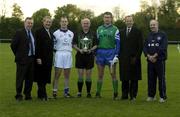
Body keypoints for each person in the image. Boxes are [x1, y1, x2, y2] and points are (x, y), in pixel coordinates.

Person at [95, 12, 120, 100]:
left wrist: (116, 55)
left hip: (111, 54)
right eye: (105, 17)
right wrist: (95, 54)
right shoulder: (99, 29)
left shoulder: (115, 29)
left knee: (113, 74)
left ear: (111, 18)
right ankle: (98, 93)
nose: (107, 19)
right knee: (100, 75)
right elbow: (96, 43)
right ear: (103, 18)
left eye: (108, 17)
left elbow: (118, 44)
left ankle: (115, 93)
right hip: (100, 53)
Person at [119, 15, 143, 101]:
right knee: (124, 78)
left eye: (130, 21)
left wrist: (136, 57)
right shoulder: (121, 32)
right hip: (124, 59)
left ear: (133, 21)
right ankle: (124, 95)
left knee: (134, 78)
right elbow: (119, 46)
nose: (129, 22)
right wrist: (120, 57)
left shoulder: (138, 31)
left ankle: (133, 95)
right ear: (125, 22)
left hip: (134, 58)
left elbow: (140, 46)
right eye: (127, 21)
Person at [10, 17, 35, 101]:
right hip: (22, 60)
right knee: (20, 78)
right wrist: (18, 55)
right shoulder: (19, 33)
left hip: (31, 59)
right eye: (28, 23)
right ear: (24, 23)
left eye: (31, 23)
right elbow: (13, 45)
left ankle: (27, 95)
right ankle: (19, 95)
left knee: (29, 79)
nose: (30, 25)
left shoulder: (33, 33)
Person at [143, 19, 168, 103]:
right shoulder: (148, 36)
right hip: (150, 61)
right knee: (151, 79)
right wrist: (148, 56)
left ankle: (162, 96)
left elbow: (163, 47)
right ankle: (151, 96)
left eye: (154, 24)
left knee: (161, 79)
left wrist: (155, 56)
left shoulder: (163, 35)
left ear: (157, 25)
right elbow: (145, 47)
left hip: (159, 61)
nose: (152, 26)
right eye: (151, 25)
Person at [73, 18, 97, 98]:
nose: (86, 25)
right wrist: (79, 50)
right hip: (80, 56)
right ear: (81, 24)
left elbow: (96, 45)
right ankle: (79, 92)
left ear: (89, 24)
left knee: (88, 75)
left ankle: (88, 92)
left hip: (89, 56)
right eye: (84, 23)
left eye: (87, 23)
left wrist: (90, 50)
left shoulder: (93, 33)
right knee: (80, 75)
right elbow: (73, 44)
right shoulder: (77, 33)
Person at [52, 16, 74, 98]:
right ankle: (54, 92)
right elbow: (53, 46)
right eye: (62, 21)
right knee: (57, 74)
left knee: (67, 75)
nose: (64, 23)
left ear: (67, 22)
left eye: (65, 21)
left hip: (68, 53)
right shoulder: (55, 33)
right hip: (59, 53)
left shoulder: (71, 33)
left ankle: (66, 92)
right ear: (60, 23)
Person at [34, 16, 54, 101]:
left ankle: (40, 94)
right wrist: (38, 57)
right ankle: (43, 95)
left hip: (48, 59)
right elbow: (37, 45)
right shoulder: (39, 31)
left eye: (49, 22)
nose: (48, 23)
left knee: (45, 77)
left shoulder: (51, 32)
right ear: (43, 22)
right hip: (41, 58)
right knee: (41, 77)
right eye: (47, 22)